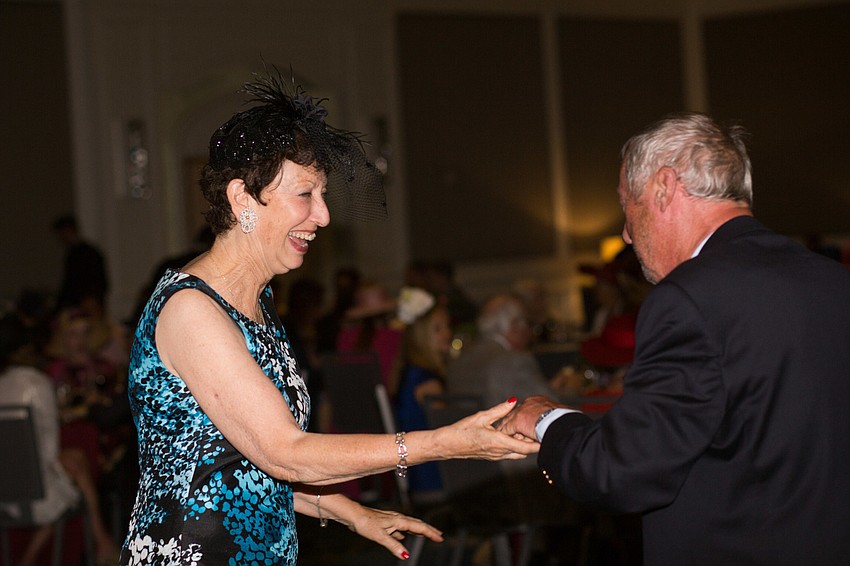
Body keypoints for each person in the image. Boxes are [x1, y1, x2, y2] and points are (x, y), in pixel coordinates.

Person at [122, 70, 537, 565]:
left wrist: (344, 510)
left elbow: (233, 465)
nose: (322, 215)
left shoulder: (256, 303)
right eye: (305, 195)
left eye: (322, 196)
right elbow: (284, 452)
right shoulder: (192, 309)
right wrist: (442, 443)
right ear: (241, 199)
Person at [499, 112, 850, 565]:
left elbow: (623, 472)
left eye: (629, 207)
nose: (626, 233)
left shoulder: (688, 298)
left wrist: (545, 419)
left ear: (664, 187)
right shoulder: (833, 281)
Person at [0, 313, 118, 566]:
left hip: (5, 483)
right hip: (33, 489)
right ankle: (101, 540)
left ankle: (99, 540)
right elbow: (48, 452)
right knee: (76, 469)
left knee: (75, 462)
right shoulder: (37, 382)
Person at [446, 293, 557, 408]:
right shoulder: (515, 361)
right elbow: (550, 405)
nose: (528, 331)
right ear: (514, 324)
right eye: (527, 323)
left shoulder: (458, 361)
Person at [393, 287, 451, 498]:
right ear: (421, 336)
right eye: (438, 329)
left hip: (414, 473)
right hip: (432, 476)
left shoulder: (408, 372)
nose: (447, 333)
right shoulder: (427, 382)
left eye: (446, 327)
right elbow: (448, 432)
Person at [52, 214, 109, 311]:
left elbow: (74, 281)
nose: (60, 238)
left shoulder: (85, 254)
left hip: (86, 300)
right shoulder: (78, 253)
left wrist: (91, 297)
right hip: (83, 300)